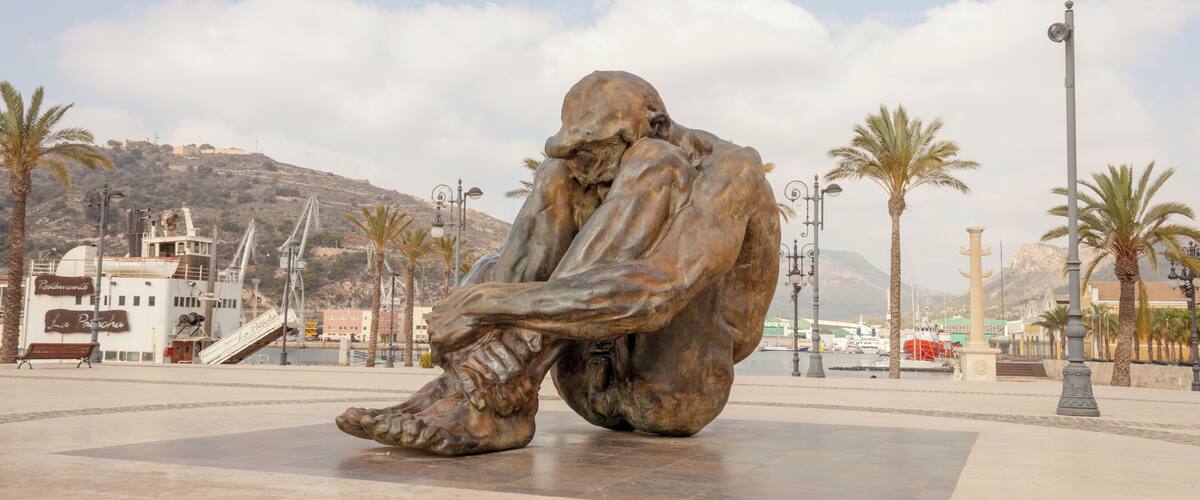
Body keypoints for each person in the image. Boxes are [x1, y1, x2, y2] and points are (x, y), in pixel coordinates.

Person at [337, 71, 780, 455]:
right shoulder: (576, 171)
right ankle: (478, 392)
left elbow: (660, 291)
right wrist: (488, 295)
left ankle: (492, 386)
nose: (585, 173)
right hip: (582, 382)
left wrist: (484, 303)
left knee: (656, 164)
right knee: (549, 179)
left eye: (594, 155)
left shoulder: (731, 171)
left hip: (673, 392)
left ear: (657, 123)